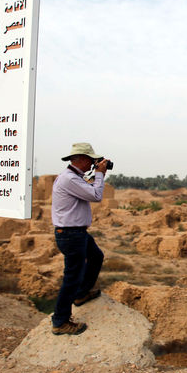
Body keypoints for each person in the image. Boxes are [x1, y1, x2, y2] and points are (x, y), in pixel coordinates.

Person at [50, 142, 109, 335]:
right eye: (92, 160)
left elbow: (89, 188)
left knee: (96, 257)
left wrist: (99, 174)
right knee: (72, 277)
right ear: (83, 159)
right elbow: (96, 195)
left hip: (76, 233)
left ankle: (82, 294)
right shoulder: (69, 179)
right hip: (71, 234)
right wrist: (99, 174)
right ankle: (60, 321)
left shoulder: (75, 177)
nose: (94, 163)